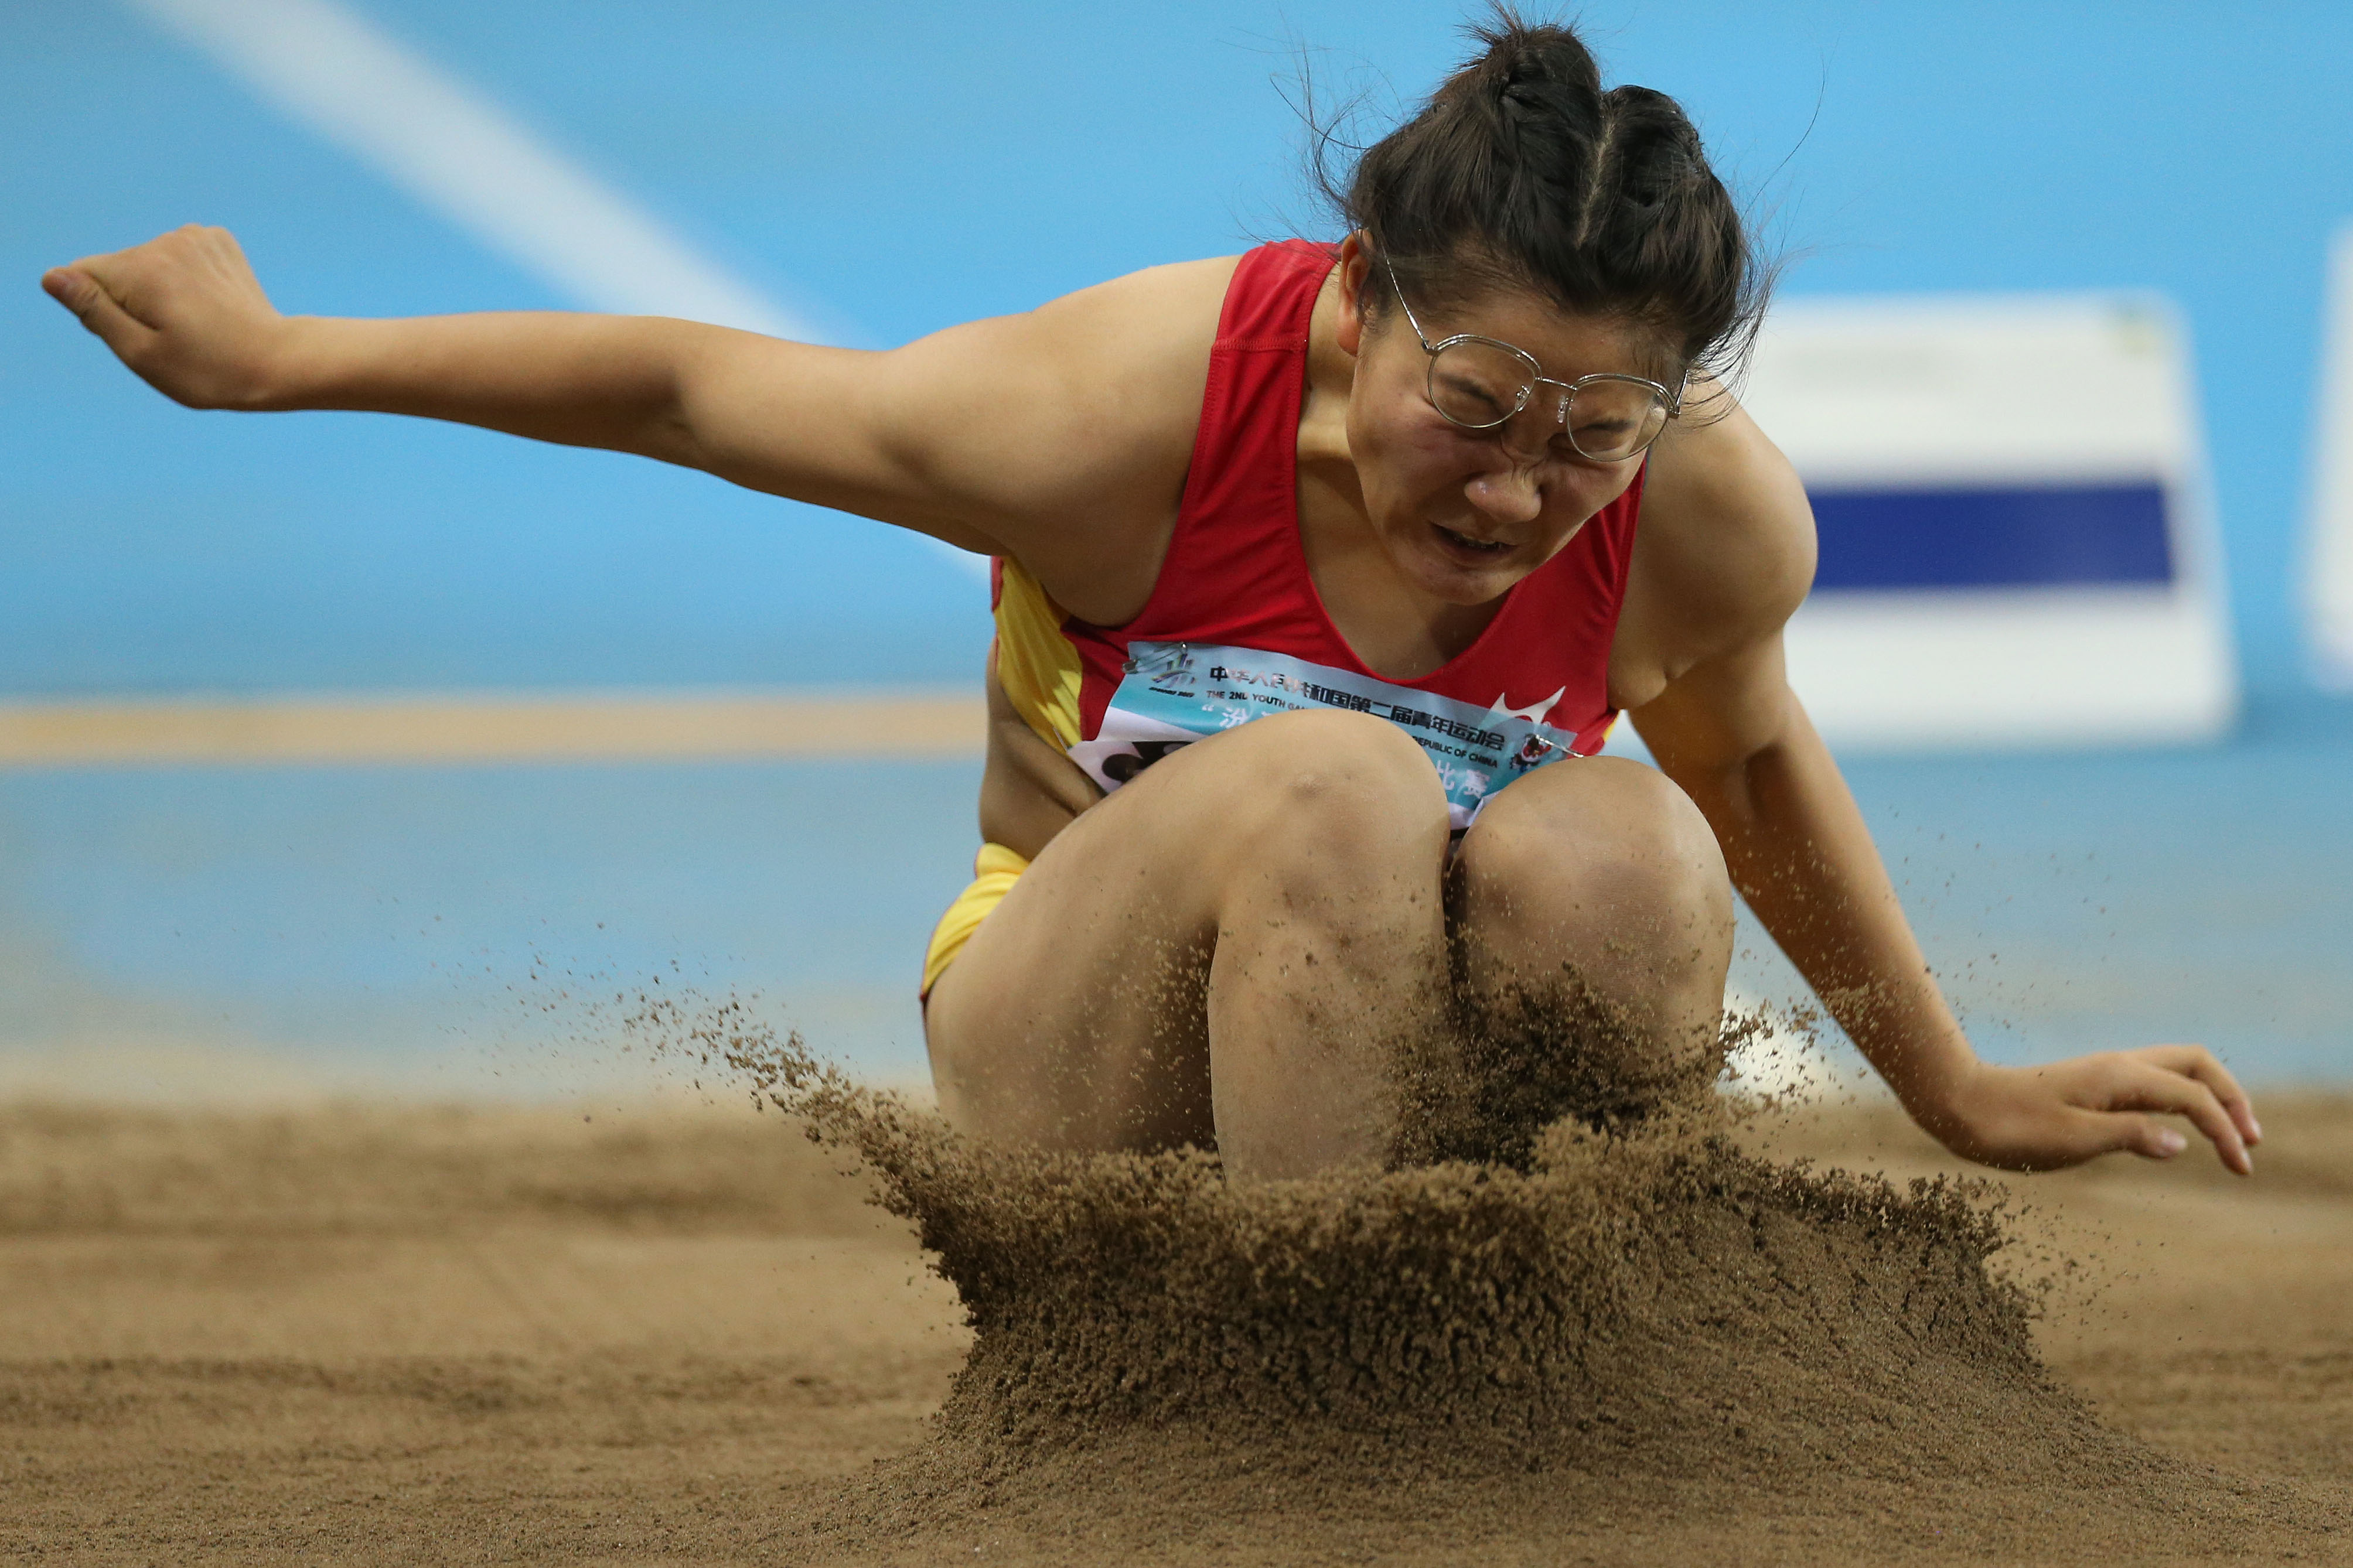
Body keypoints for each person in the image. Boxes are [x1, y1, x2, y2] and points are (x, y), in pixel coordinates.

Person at [42, 15, 2259, 1181]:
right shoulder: (1118, 413)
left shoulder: (1700, 518)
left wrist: (1950, 1083)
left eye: (1592, 432)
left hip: (1432, 1070)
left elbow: (1752, 755)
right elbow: (692, 386)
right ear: (1368, 305)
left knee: (1627, 842)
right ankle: (1281, 1419)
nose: (1518, 489)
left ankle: (1580, 1358)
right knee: (1337, 792)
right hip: (1079, 1052)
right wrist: (278, 362)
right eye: (1474, 397)